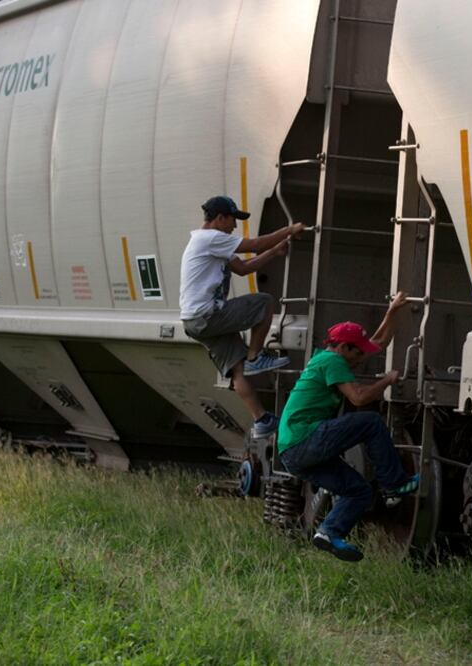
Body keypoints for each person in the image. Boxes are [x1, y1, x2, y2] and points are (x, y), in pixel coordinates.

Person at [277, 293, 420, 562]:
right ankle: (394, 484)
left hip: (292, 453)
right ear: (343, 347)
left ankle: (329, 532)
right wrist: (387, 381)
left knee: (358, 490)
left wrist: (392, 311)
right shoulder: (333, 362)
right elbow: (359, 398)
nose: (360, 358)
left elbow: (377, 343)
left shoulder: (328, 357)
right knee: (370, 422)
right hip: (305, 438)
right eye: (356, 351)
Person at [180, 194, 305, 439]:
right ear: (219, 218)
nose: (234, 226)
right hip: (208, 315)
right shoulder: (210, 238)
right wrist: (289, 230)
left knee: (238, 371)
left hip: (193, 321)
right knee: (265, 302)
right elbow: (255, 244)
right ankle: (256, 356)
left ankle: (262, 421)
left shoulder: (210, 243)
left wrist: (275, 251)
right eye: (232, 220)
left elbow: (244, 268)